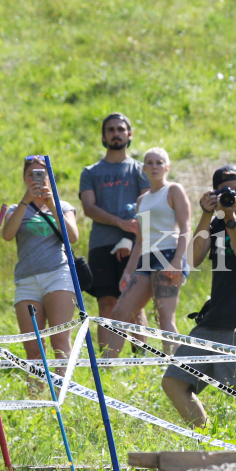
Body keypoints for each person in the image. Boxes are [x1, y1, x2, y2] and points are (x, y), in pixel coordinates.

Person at [161, 165, 236, 427]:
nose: (230, 195)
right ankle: (205, 437)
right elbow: (193, 258)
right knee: (174, 381)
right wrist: (206, 215)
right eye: (224, 191)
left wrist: (230, 220)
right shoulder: (214, 222)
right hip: (214, 318)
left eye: (235, 189)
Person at [104, 148, 192, 357]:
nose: (154, 166)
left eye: (159, 162)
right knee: (120, 313)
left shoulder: (174, 190)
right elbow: (140, 240)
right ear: (143, 169)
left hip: (169, 256)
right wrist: (128, 271)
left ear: (167, 167)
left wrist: (178, 260)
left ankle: (176, 371)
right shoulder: (142, 200)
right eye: (150, 163)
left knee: (164, 317)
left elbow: (186, 227)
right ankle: (105, 368)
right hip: (145, 260)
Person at [79, 112, 150, 351]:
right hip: (101, 244)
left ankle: (140, 359)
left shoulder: (140, 170)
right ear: (103, 136)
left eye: (121, 129)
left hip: (135, 243)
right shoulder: (90, 172)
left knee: (135, 302)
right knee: (106, 303)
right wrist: (120, 223)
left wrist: (129, 237)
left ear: (129, 134)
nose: (116, 134)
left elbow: (149, 206)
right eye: (110, 130)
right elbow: (89, 208)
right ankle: (107, 363)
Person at [2, 156, 79, 371]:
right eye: (31, 175)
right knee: (33, 347)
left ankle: (64, 395)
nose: (36, 179)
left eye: (42, 175)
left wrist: (51, 205)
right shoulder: (16, 208)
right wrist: (26, 200)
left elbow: (72, 236)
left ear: (50, 178)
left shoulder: (63, 206)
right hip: (27, 279)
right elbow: (7, 235)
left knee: (59, 342)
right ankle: (36, 398)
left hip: (58, 275)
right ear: (25, 178)